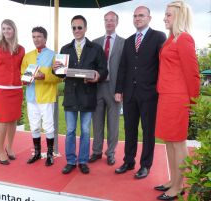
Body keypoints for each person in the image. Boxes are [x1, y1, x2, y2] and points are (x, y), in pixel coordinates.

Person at [154, 1, 200, 200]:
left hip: (178, 98)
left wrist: (193, 103)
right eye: (165, 14)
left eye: (169, 15)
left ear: (179, 17)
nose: (164, 17)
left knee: (178, 142)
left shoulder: (184, 39)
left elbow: (193, 74)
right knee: (168, 141)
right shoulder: (170, 39)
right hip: (166, 96)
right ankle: (173, 180)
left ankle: (179, 186)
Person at [115, 6, 166, 179]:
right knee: (129, 129)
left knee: (148, 130)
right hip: (129, 93)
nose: (138, 18)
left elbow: (163, 66)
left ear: (149, 18)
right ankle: (129, 161)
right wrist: (118, 90)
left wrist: (160, 89)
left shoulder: (159, 37)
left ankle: (145, 165)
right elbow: (123, 67)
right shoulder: (129, 41)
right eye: (135, 16)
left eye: (141, 15)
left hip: (149, 93)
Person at [53, 15, 108, 174]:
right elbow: (60, 74)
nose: (76, 30)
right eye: (74, 28)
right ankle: (70, 161)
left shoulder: (96, 49)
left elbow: (104, 70)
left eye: (79, 27)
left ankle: (83, 160)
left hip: (88, 95)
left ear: (85, 28)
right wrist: (55, 69)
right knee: (70, 130)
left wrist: (98, 76)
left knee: (85, 131)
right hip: (70, 96)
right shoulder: (65, 49)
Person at [0, 19, 25, 165]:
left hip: (16, 89)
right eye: (4, 28)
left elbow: (22, 68)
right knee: (2, 121)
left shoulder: (20, 49)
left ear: (14, 30)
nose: (6, 31)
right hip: (0, 90)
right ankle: (0, 150)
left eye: (9, 28)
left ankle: (9, 147)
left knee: (13, 120)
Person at [21, 26, 61, 166]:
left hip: (46, 96)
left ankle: (50, 154)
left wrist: (44, 76)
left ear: (45, 38)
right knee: (34, 126)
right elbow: (22, 74)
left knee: (48, 126)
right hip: (31, 97)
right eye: (33, 36)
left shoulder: (54, 55)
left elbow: (59, 78)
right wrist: (24, 79)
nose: (36, 39)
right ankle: (37, 153)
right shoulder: (27, 56)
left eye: (39, 36)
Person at [89, 11, 125, 166]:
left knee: (113, 123)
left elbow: (126, 68)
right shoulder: (95, 42)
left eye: (112, 20)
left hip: (115, 88)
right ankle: (96, 151)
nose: (109, 23)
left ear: (117, 22)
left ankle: (110, 153)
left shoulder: (125, 43)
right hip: (97, 87)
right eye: (106, 20)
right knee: (96, 122)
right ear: (104, 22)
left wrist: (121, 89)